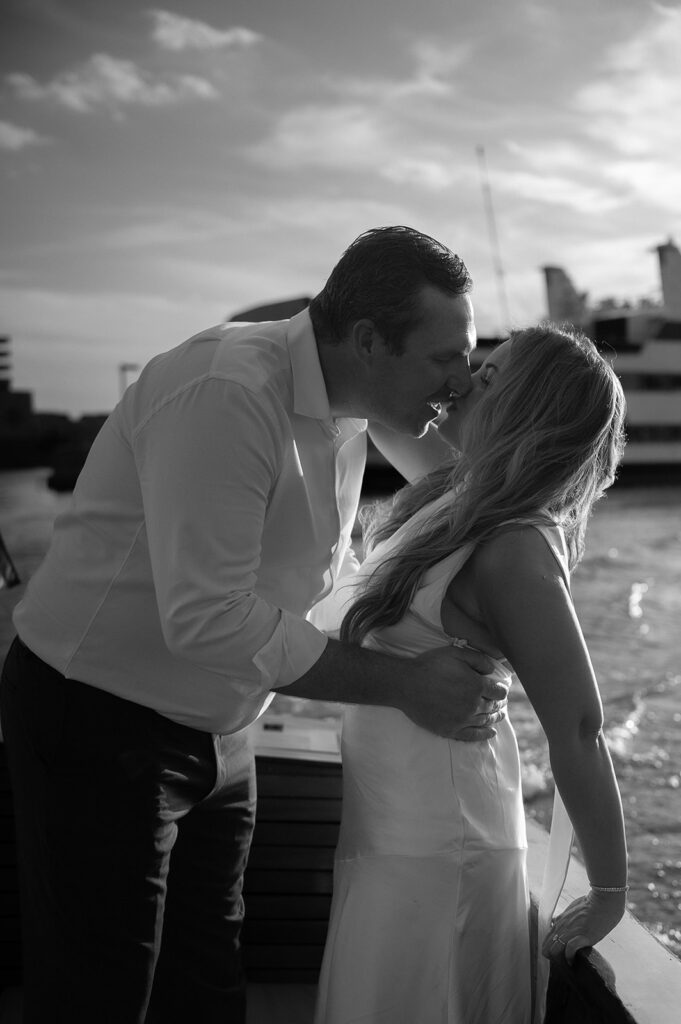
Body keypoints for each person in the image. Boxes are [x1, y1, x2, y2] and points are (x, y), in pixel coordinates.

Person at [0, 226, 510, 1024]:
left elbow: (463, 495)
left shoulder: (357, 400)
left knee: (205, 983)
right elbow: (207, 620)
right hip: (97, 719)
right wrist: (406, 686)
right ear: (369, 340)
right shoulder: (229, 390)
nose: (458, 380)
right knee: (100, 991)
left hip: (223, 727)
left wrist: (490, 418)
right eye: (445, 358)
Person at [313, 324, 629, 1024]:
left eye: (486, 379)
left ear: (525, 411)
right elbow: (371, 404)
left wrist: (608, 893)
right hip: (392, 828)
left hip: (442, 844)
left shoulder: (514, 544)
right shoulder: (449, 495)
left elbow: (578, 728)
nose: (460, 384)